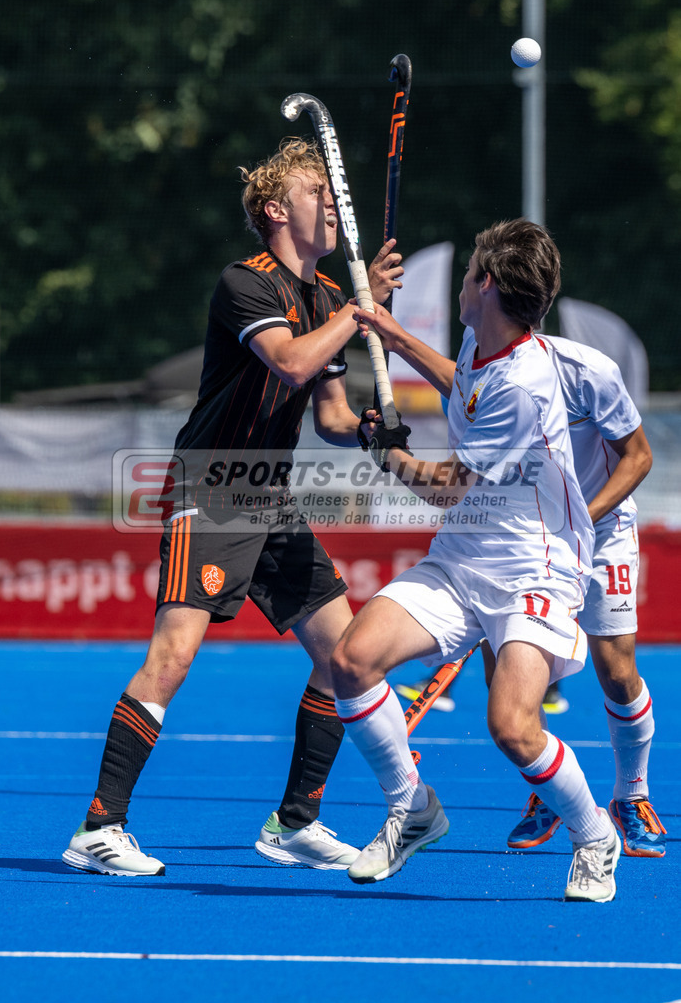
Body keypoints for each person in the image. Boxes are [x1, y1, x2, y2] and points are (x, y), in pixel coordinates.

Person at [61, 137, 403, 876]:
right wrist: (362, 308)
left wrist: (372, 431)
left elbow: (330, 416)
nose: (333, 207)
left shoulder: (327, 299)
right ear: (276, 209)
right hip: (211, 487)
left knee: (345, 657)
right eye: (317, 193)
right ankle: (99, 826)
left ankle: (294, 823)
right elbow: (291, 361)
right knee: (174, 655)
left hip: (269, 495)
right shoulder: (244, 283)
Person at [330, 219, 624, 903]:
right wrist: (396, 337)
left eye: (467, 275)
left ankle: (593, 836)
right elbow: (463, 382)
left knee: (512, 728)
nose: (460, 285)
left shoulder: (523, 386)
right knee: (350, 662)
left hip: (534, 568)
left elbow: (444, 488)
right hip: (463, 558)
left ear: (485, 285)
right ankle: (412, 808)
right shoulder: (485, 338)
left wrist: (383, 451)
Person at [492, 335, 664, 857]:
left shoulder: (588, 370)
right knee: (516, 673)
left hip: (602, 527)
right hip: (532, 536)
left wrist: (579, 523)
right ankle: (549, 792)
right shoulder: (481, 363)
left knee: (617, 671)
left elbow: (638, 457)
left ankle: (632, 796)